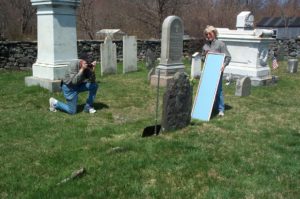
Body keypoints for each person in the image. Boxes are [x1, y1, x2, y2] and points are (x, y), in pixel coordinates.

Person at [201, 25, 231, 117]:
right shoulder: (205, 46)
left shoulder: (221, 44)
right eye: (206, 34)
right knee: (207, 90)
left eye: (209, 34)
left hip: (218, 70)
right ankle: (208, 108)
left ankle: (221, 109)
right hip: (208, 70)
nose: (208, 36)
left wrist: (223, 65)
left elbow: (228, 57)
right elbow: (202, 58)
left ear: (214, 33)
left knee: (218, 90)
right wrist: (205, 56)